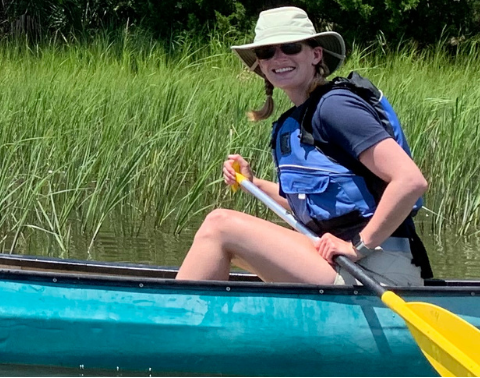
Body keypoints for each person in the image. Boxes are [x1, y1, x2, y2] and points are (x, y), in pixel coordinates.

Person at [175, 7, 433, 286]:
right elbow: (315, 207)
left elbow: (410, 181)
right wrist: (254, 184)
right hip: (340, 262)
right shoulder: (300, 119)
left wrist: (357, 246)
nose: (279, 58)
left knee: (219, 225)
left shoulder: (335, 107)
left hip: (377, 269)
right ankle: (197, 322)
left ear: (316, 54)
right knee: (221, 232)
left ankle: (174, 323)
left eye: (290, 47)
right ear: (260, 65)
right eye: (267, 52)